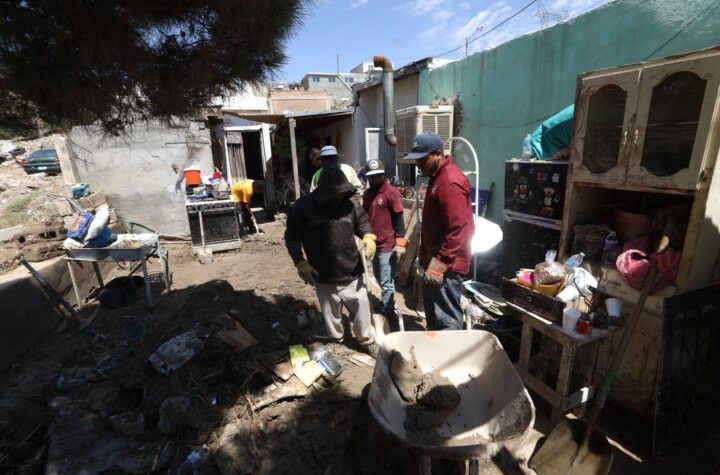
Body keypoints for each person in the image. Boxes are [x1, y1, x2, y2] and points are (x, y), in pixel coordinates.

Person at [285, 166, 379, 357]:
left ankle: (367, 340)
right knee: (331, 313)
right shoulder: (303, 208)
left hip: (352, 271)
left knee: (361, 311)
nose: (340, 197)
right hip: (322, 272)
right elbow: (292, 236)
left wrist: (368, 236)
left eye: (343, 192)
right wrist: (300, 262)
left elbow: (363, 221)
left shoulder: (350, 204)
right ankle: (337, 340)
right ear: (323, 191)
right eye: (336, 194)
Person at [404, 132, 474, 330]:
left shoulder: (449, 181)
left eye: (422, 159)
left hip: (447, 265)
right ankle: (436, 346)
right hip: (435, 259)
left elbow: (458, 228)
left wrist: (441, 263)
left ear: (438, 153)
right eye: (416, 160)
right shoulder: (437, 177)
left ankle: (448, 350)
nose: (418, 164)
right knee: (435, 317)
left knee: (446, 321)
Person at [362, 158, 406, 327]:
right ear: (368, 177)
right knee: (378, 277)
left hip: (387, 244)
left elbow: (399, 218)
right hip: (373, 243)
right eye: (372, 176)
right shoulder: (367, 194)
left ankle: (388, 311)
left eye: (378, 176)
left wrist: (400, 242)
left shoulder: (391, 192)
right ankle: (386, 303)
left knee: (387, 281)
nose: (375, 179)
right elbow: (365, 217)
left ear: (383, 175)